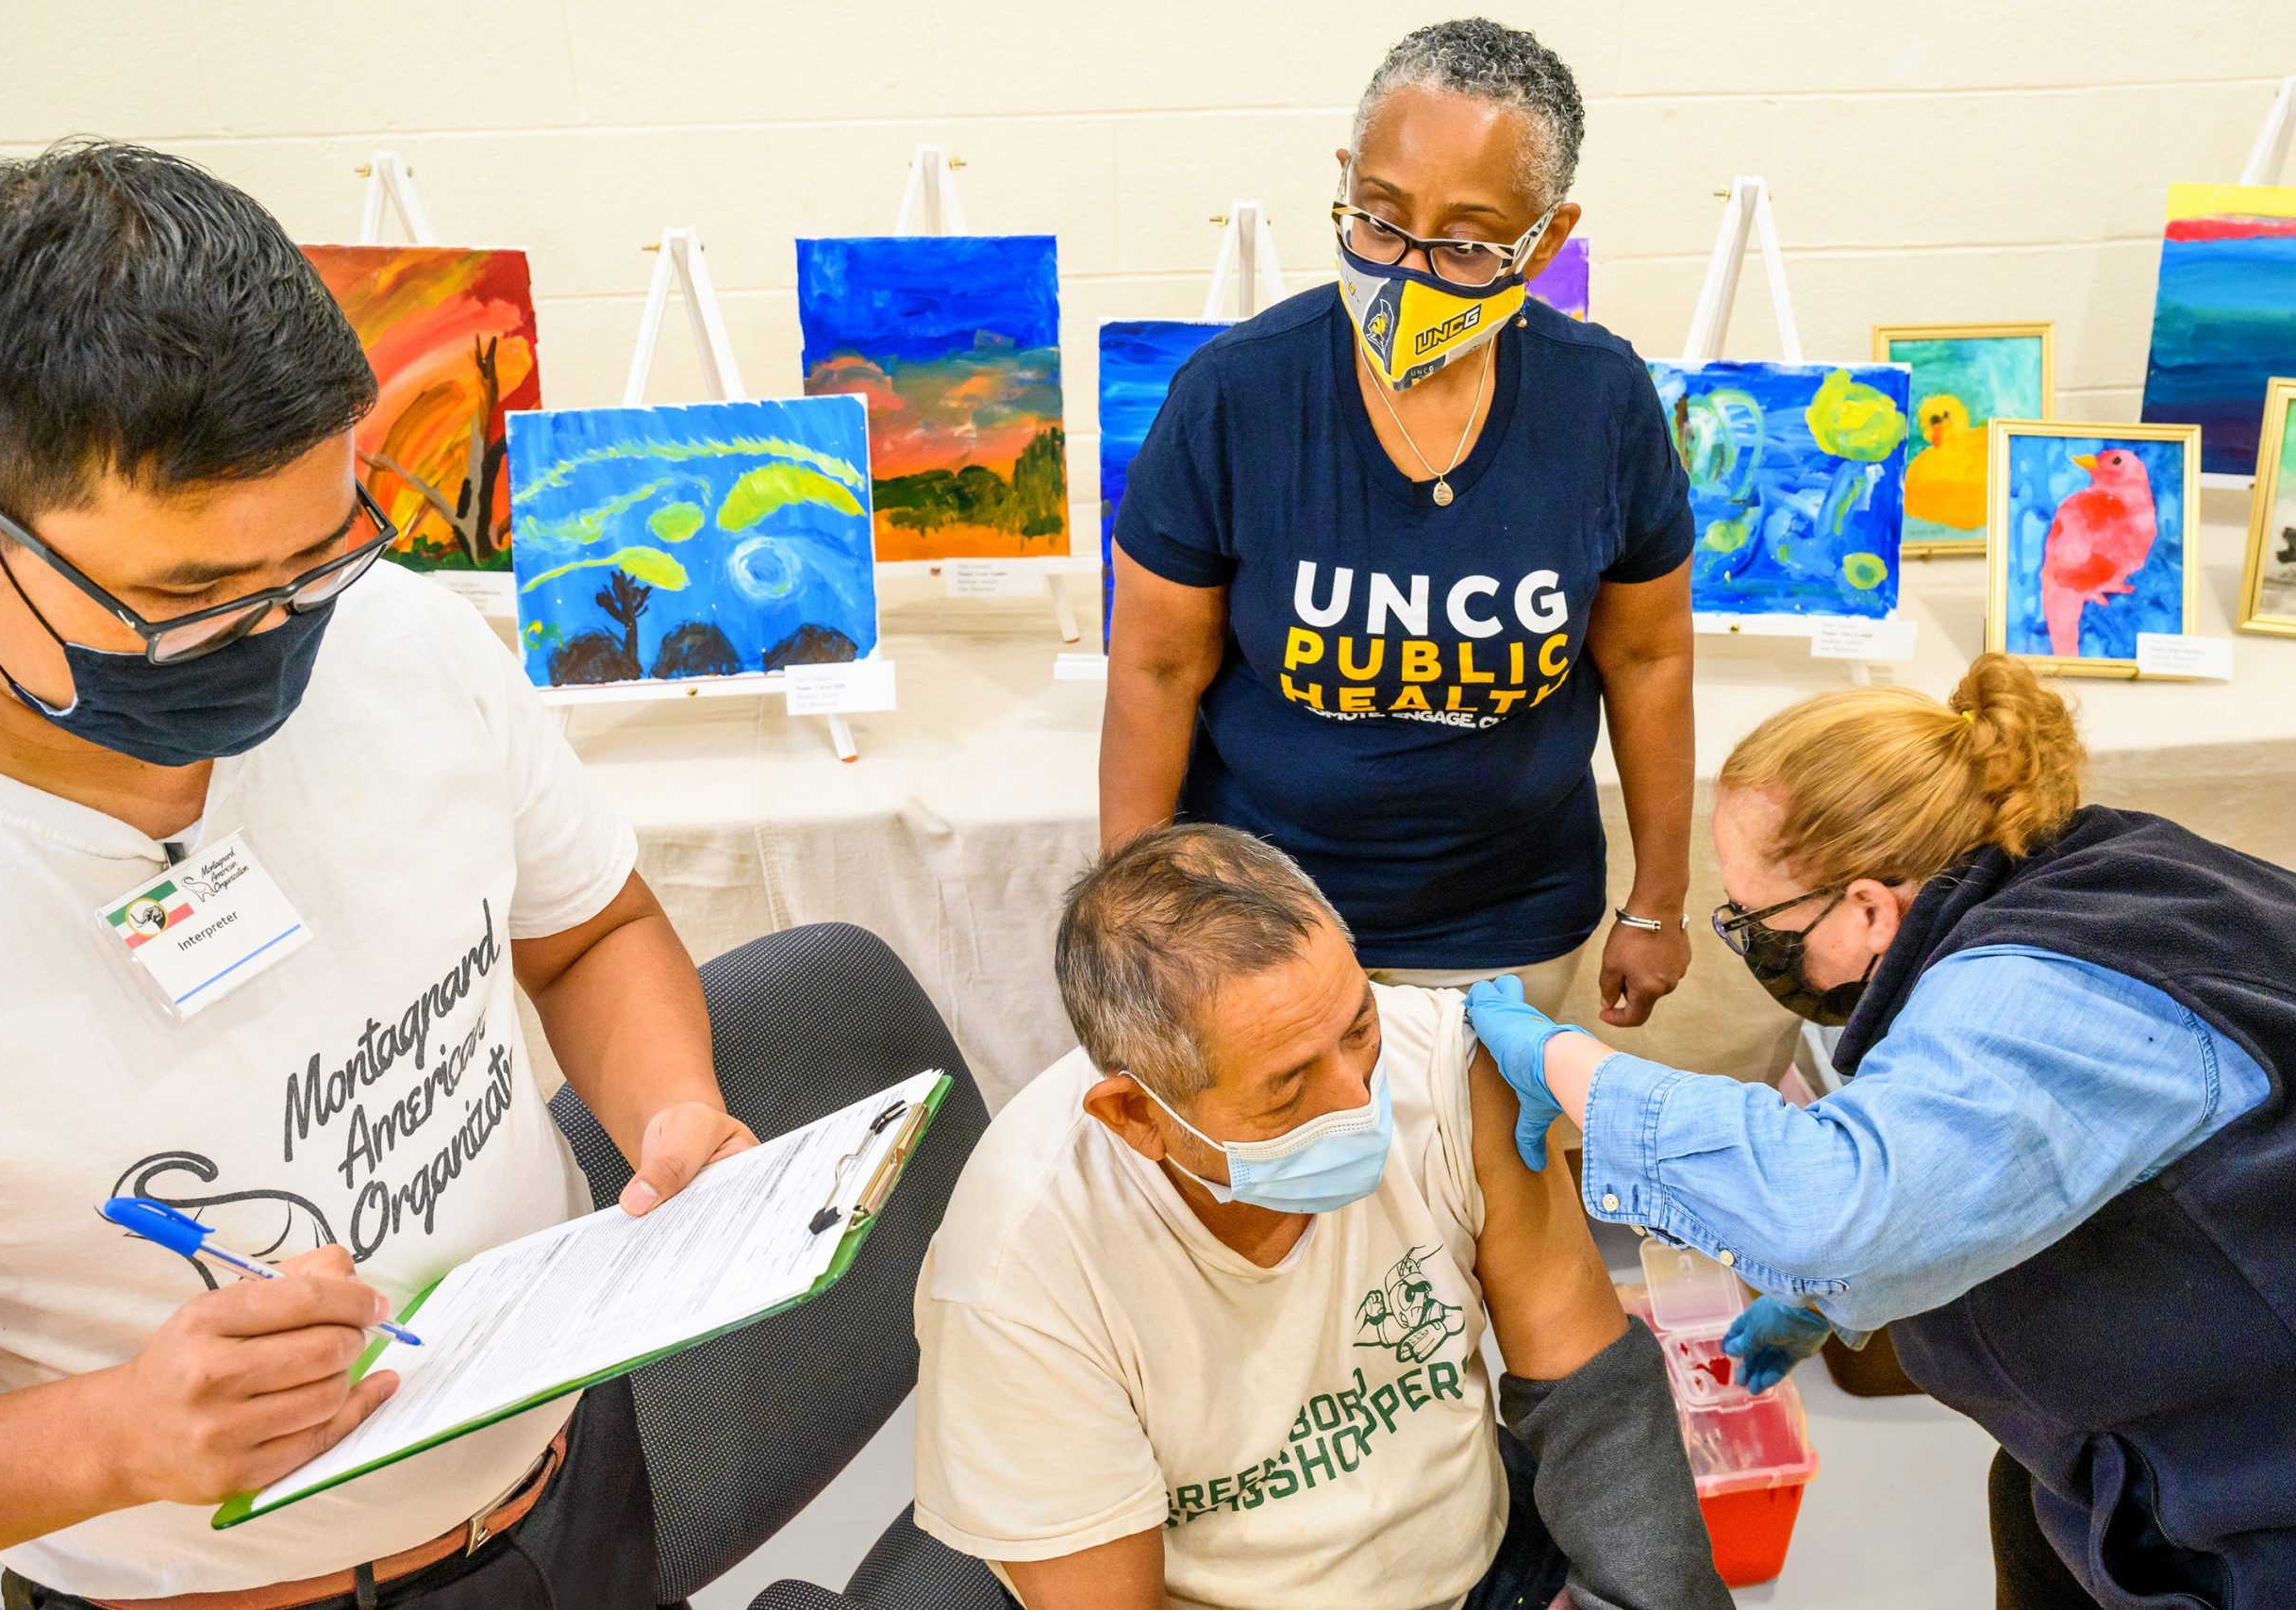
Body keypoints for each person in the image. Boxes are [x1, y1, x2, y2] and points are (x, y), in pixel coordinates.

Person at [0, 144, 749, 1608]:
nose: (279, 632)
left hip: (568, 1489)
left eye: (320, 555)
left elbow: (592, 933)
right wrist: (113, 1433)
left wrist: (668, 1105)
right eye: (190, 597)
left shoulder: (403, 642)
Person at [1464, 655, 2296, 1609]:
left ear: (1866, 906)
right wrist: (1831, 1303)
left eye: (1757, 920)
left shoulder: (2044, 991)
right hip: (2112, 1443)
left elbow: (1833, 1207)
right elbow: (2002, 1160)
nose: (1750, 939)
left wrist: (1565, 1064)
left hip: (2250, 1480)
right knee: (2031, 1517)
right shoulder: (2080, 870)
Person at [912, 824, 1731, 1610]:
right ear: (1137, 1116)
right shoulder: (1017, 1279)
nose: (1361, 1100)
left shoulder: (1449, 1070)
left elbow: (1597, 1399)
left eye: (1359, 1027)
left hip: (1486, 1563)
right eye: (1288, 1086)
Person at [1101, 19, 1695, 1031]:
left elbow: (1647, 660)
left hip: (1512, 929)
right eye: (1377, 221)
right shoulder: (1235, 396)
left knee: (1488, 1179)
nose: (1410, 270)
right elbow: (1155, 671)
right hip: (1263, 925)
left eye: (1466, 245)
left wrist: (1658, 901)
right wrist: (1130, 923)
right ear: (1344, 179)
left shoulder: (1600, 402)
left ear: (1545, 238)